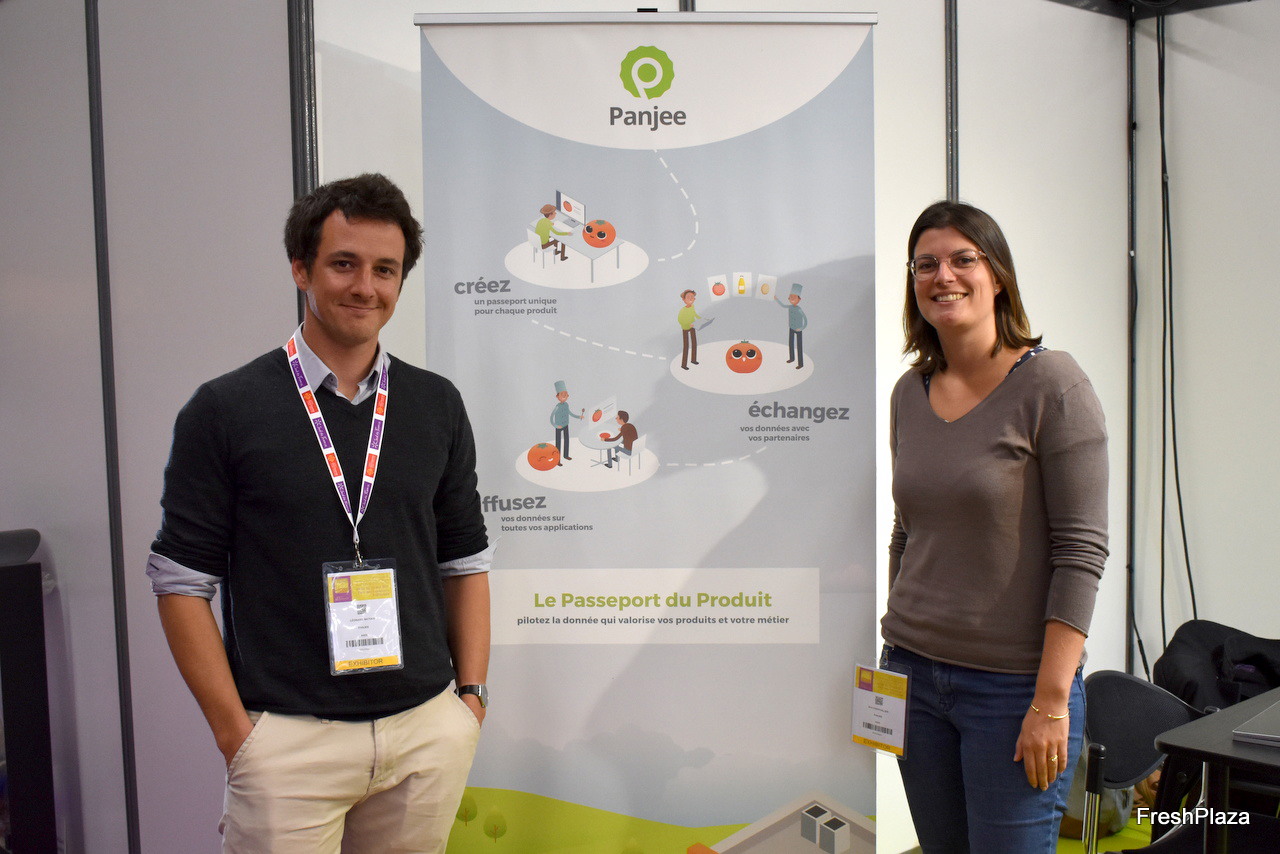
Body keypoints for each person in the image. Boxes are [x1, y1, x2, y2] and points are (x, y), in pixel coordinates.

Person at [147, 174, 491, 853]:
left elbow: (465, 560)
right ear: (301, 269)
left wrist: (470, 699)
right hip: (290, 742)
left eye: (385, 269)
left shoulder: (436, 404)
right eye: (344, 263)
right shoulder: (225, 409)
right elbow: (181, 583)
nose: (366, 286)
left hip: (424, 730)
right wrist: (236, 735)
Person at [880, 200, 1108, 853]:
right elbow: (907, 530)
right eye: (925, 264)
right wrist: (897, 634)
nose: (943, 276)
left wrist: (1051, 701)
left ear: (998, 275)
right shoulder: (910, 392)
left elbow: (1081, 552)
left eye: (963, 259)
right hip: (913, 677)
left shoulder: (1054, 385)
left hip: (1012, 691)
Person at [548, 379, 584, 464]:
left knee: (567, 440)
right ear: (557, 396)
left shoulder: (566, 405)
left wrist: (579, 416)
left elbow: (570, 413)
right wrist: (556, 426)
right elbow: (551, 418)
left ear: (568, 395)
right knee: (558, 443)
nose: (564, 396)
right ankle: (557, 460)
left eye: (565, 394)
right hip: (558, 426)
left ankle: (566, 455)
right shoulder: (557, 407)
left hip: (566, 424)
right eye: (562, 394)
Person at [774, 283, 807, 369]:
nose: (791, 299)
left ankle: (800, 364)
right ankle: (792, 358)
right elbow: (783, 305)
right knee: (791, 343)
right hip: (791, 327)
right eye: (790, 297)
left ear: (799, 299)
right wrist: (776, 299)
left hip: (798, 329)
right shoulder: (790, 307)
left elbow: (806, 320)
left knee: (799, 346)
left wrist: (801, 328)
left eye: (794, 297)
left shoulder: (799, 309)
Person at [677, 289, 701, 369]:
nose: (691, 298)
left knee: (694, 343)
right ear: (684, 299)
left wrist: (701, 319)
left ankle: (693, 360)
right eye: (688, 297)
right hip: (685, 328)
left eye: (692, 297)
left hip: (692, 326)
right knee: (686, 346)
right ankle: (684, 365)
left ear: (694, 299)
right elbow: (680, 320)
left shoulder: (692, 307)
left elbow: (695, 314)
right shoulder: (683, 310)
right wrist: (687, 324)